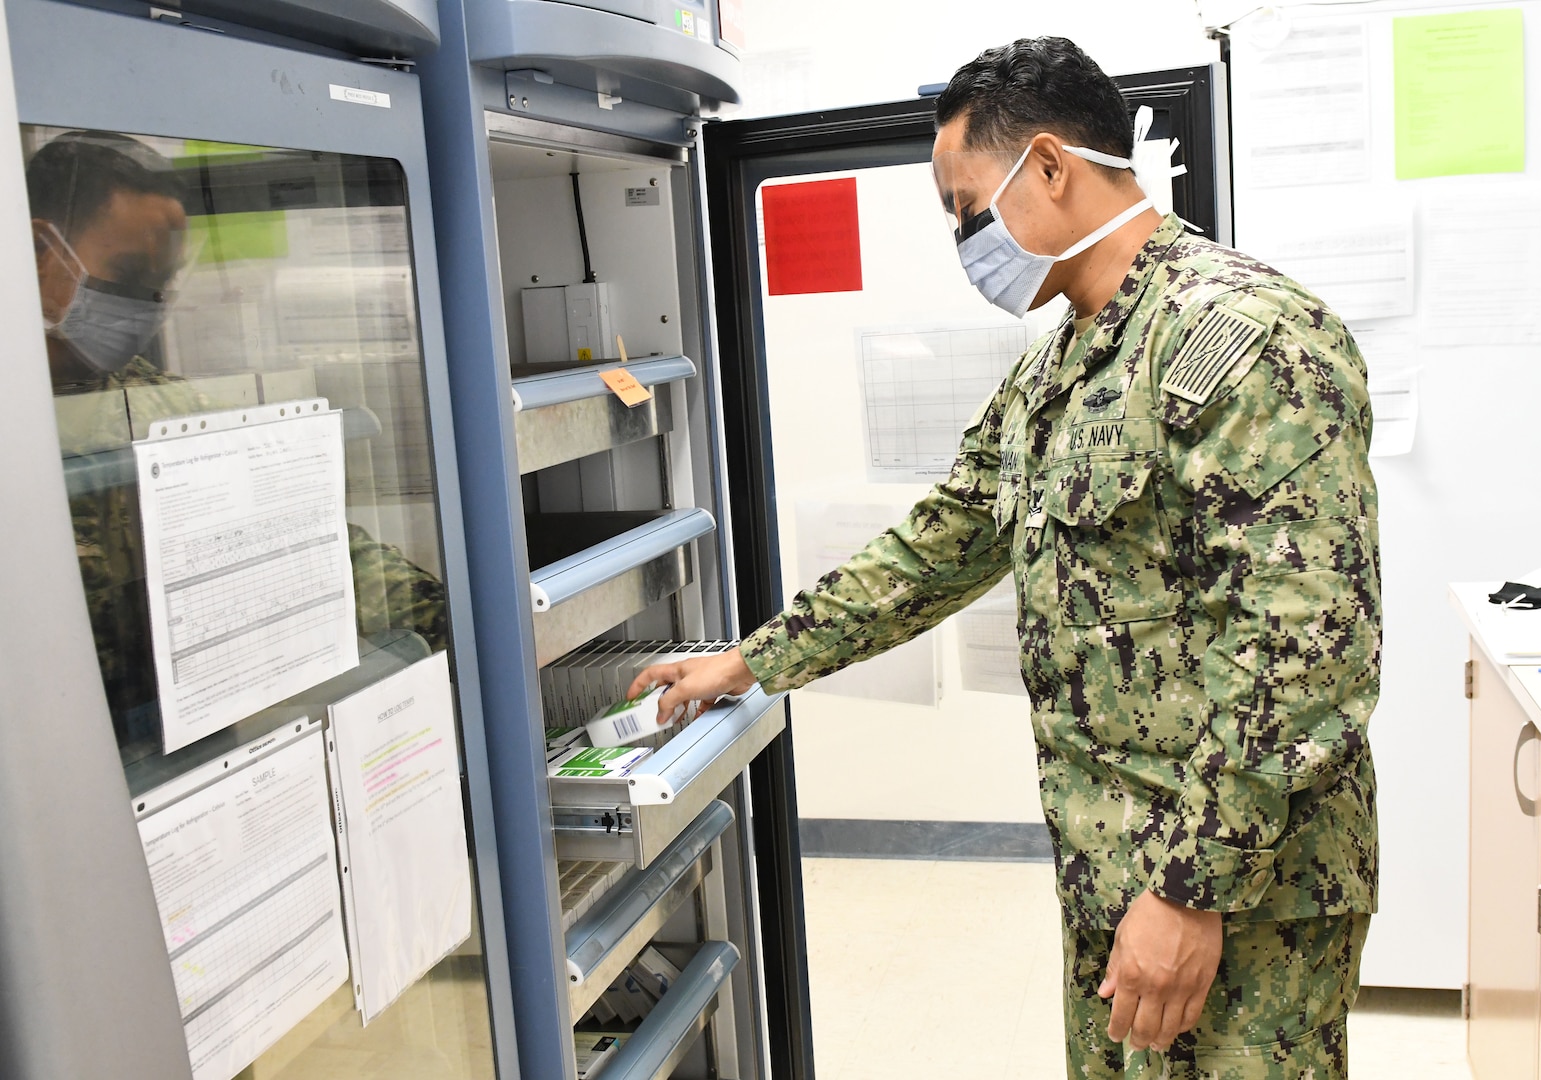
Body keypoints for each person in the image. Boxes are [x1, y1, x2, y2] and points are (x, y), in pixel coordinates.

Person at [629, 37, 1380, 1080]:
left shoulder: (1245, 335)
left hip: (1242, 897)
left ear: (1051, 166)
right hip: (1111, 871)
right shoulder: (1055, 371)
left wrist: (1189, 888)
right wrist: (752, 661)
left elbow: (1304, 650)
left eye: (965, 205)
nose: (963, 237)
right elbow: (933, 548)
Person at [31, 130, 448, 763]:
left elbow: (297, 551)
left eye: (160, 282)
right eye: (129, 275)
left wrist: (457, 622)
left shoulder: (157, 404)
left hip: (172, 766)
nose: (146, 305)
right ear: (38, 249)